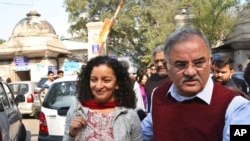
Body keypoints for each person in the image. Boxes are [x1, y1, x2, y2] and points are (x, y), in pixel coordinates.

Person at [141, 28, 250, 141]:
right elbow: (144, 132)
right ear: (167, 67)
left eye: (198, 63)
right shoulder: (159, 95)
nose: (190, 72)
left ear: (210, 63)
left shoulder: (238, 107)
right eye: (181, 64)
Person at [63, 56, 142, 141]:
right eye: (94, 80)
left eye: (106, 80)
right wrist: (71, 135)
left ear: (117, 84)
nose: (98, 86)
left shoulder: (129, 115)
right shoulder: (77, 109)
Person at [144, 44, 169, 112]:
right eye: (156, 61)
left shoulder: (177, 80)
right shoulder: (151, 80)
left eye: (162, 60)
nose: (159, 64)